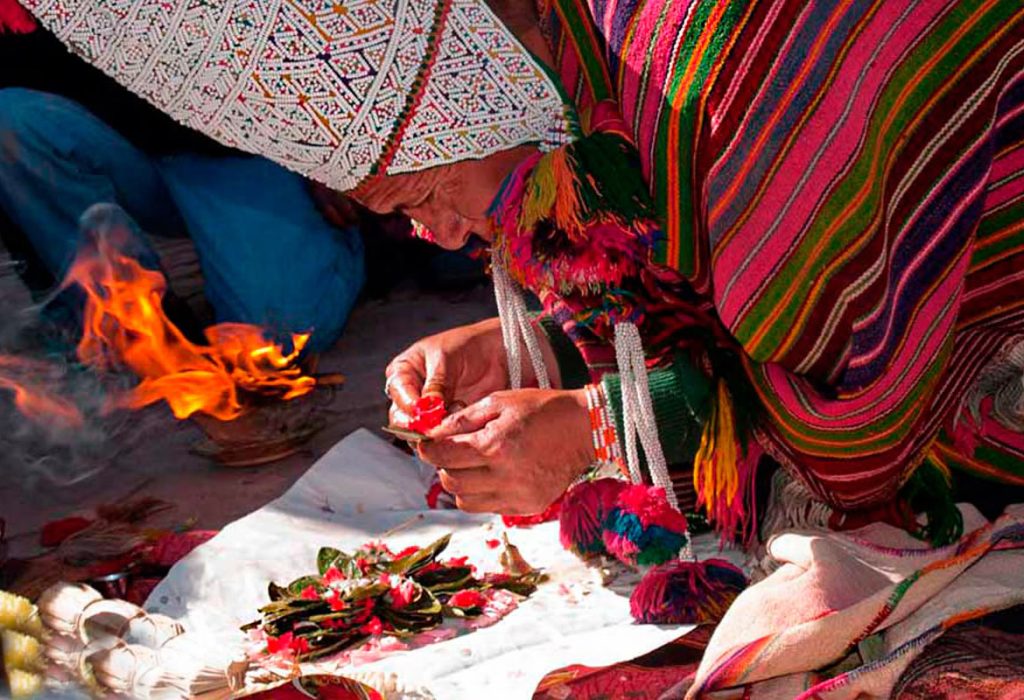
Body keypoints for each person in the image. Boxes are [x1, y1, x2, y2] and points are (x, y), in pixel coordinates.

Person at [26, 0, 1024, 542]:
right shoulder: (561, 45)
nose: (446, 238)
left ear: (450, 104)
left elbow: (845, 399)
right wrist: (527, 348)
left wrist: (595, 425)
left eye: (416, 200)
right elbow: (692, 266)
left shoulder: (712, 78)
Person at [0, 4, 365, 353]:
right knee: (9, 119)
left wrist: (331, 153)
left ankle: (346, 235)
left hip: (235, 141)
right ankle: (133, 324)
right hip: (119, 150)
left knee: (282, 337)